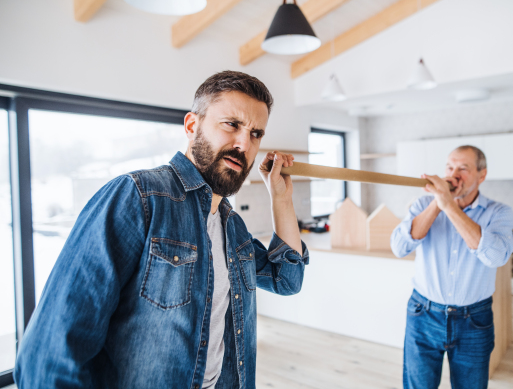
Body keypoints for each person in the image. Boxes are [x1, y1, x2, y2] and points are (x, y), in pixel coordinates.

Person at [14, 71, 309, 389]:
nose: (243, 143)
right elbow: (47, 358)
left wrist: (281, 197)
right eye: (232, 124)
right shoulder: (138, 197)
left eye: (255, 133)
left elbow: (286, 279)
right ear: (192, 125)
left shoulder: (231, 226)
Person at [391, 145, 513, 389]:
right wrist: (438, 203)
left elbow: (496, 257)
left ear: (482, 175)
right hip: (423, 314)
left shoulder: (498, 212)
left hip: (474, 321)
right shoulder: (423, 204)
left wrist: (449, 206)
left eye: (463, 168)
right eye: (450, 167)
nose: (454, 173)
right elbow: (399, 247)